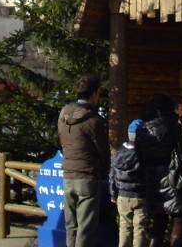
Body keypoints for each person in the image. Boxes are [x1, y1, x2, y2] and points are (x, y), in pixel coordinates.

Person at [57, 73, 110, 247]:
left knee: (71, 226)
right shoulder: (94, 120)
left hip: (68, 174)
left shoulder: (64, 114)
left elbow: (60, 139)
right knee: (86, 229)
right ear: (94, 93)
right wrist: (104, 172)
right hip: (87, 176)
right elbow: (104, 152)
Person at [137, 94, 182, 247]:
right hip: (172, 176)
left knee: (158, 223)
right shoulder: (172, 125)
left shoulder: (142, 128)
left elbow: (139, 156)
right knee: (179, 219)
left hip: (152, 178)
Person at [110, 119, 148, 247]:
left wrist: (113, 194)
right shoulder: (143, 155)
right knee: (140, 228)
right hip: (139, 195)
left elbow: (112, 176)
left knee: (124, 226)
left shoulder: (117, 155)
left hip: (121, 195)